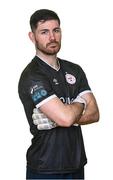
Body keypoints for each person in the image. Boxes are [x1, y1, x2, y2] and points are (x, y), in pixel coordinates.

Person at [18, 9, 99, 179]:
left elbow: (95, 114)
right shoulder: (32, 75)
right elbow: (66, 118)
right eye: (44, 32)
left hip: (76, 164)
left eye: (56, 30)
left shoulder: (75, 70)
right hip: (45, 167)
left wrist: (60, 119)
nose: (52, 37)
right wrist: (80, 102)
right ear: (32, 37)